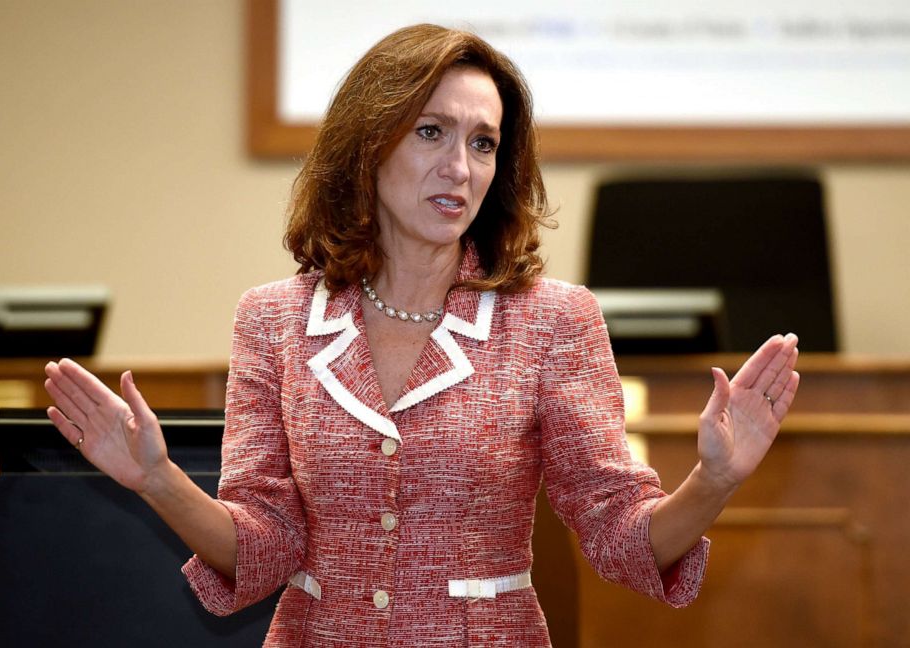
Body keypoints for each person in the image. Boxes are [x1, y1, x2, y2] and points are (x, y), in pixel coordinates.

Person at [43, 24, 800, 647]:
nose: (460, 167)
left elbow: (620, 538)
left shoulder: (552, 322)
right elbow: (264, 545)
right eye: (432, 132)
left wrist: (718, 478)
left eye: (482, 143)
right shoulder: (273, 319)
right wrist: (156, 479)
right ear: (367, 145)